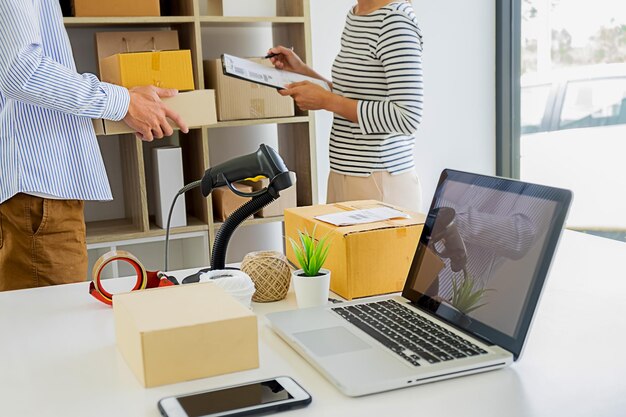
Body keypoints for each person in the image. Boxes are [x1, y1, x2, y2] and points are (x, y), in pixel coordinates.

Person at [0, 0, 188, 291]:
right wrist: (123, 103)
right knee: (55, 330)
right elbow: (21, 71)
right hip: (38, 197)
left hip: (37, 195)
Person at [268, 0, 423, 211]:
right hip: (342, 174)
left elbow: (407, 117)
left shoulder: (395, 21)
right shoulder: (356, 14)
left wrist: (327, 101)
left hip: (378, 181)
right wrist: (301, 71)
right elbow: (351, 94)